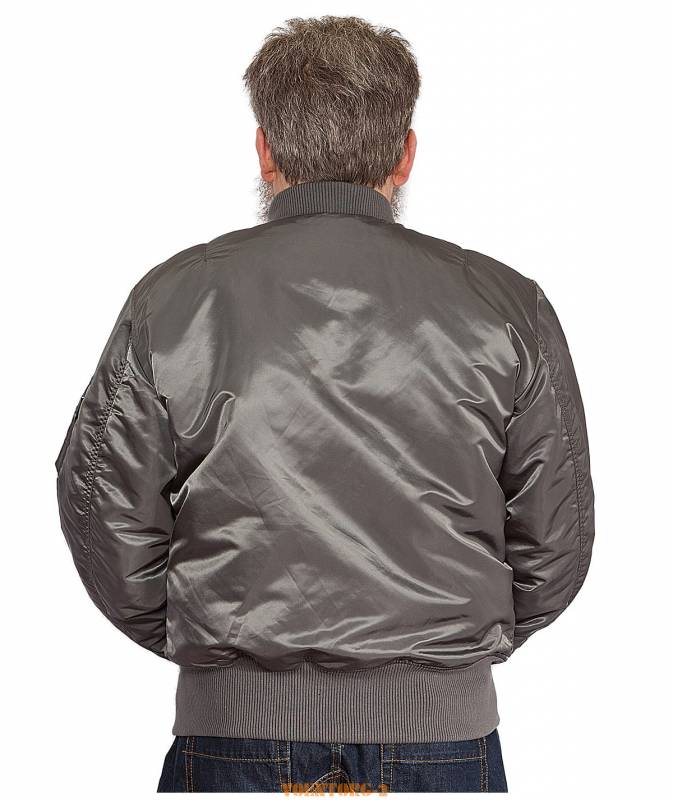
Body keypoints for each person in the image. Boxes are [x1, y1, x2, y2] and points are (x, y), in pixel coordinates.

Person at [55, 15, 595, 794]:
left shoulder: (175, 298)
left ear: (264, 150)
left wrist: (210, 648)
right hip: (442, 740)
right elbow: (555, 539)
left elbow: (101, 507)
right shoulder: (504, 307)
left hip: (232, 735)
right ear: (405, 153)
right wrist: (448, 653)